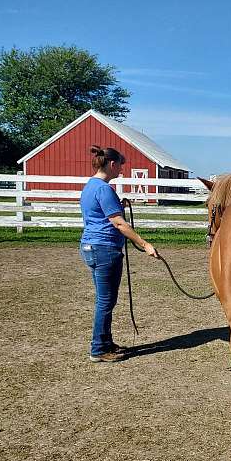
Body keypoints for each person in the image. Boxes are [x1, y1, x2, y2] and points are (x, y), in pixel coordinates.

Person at [80, 145, 158, 362]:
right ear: (112, 164)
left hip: (92, 247)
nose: (122, 171)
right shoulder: (104, 189)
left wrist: (118, 205)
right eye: (121, 166)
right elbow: (118, 223)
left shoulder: (91, 186)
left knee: (104, 299)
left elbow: (101, 214)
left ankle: (105, 342)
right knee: (105, 301)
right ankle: (98, 349)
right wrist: (145, 244)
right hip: (104, 249)